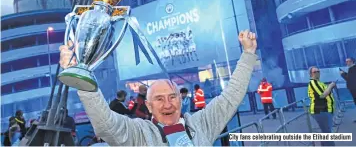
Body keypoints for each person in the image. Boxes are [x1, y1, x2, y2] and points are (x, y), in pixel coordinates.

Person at [58, 30, 257, 146]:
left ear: (180, 100)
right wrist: (82, 79)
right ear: (149, 106)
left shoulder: (202, 123)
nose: (167, 104)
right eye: (159, 99)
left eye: (172, 97)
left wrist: (248, 53)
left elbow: (231, 96)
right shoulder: (138, 133)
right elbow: (106, 125)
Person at [308, 66, 336, 146]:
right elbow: (322, 95)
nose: (317, 73)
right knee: (327, 133)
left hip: (327, 110)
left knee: (326, 131)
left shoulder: (320, 83)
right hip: (320, 111)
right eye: (315, 72)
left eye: (318, 71)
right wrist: (330, 86)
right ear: (310, 74)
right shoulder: (313, 82)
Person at [340, 57, 356, 122]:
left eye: (348, 61)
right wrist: (345, 73)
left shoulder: (353, 68)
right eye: (346, 61)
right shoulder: (352, 68)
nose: (346, 63)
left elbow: (350, 79)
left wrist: (342, 74)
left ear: (352, 61)